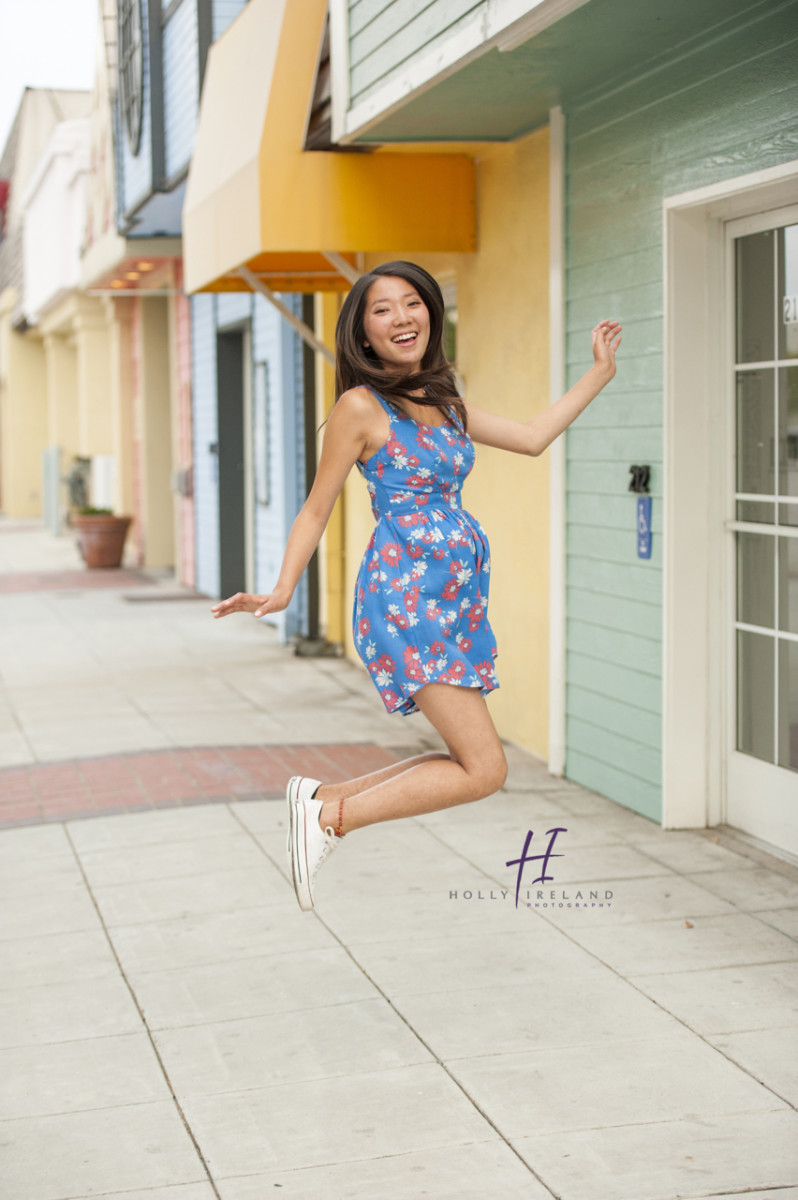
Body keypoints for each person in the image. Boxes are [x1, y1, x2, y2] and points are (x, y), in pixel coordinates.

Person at [211, 261, 621, 911]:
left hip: (452, 602)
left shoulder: (443, 401)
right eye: (382, 309)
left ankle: (321, 802)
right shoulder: (358, 408)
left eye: (412, 303)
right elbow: (317, 506)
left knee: (464, 758)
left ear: (430, 313)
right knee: (484, 768)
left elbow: (534, 438)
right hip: (404, 600)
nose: (402, 317)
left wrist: (599, 372)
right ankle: (326, 823)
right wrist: (283, 588)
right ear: (362, 334)